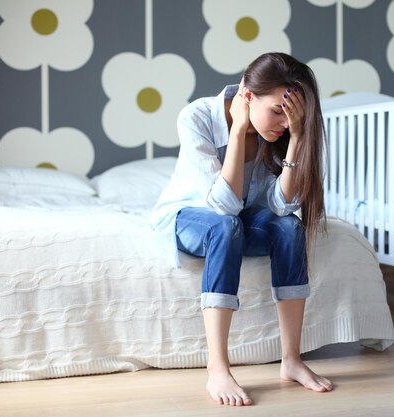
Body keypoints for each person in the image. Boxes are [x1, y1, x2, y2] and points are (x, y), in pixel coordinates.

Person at [150, 52, 332, 406]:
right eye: (277, 112)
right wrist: (238, 130)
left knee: (289, 228)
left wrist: (295, 138)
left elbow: (281, 205)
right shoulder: (197, 117)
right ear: (248, 97)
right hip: (189, 215)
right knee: (225, 225)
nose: (282, 122)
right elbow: (222, 206)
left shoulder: (280, 131)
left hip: (237, 217)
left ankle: (292, 359)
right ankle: (217, 367)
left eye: (292, 114)